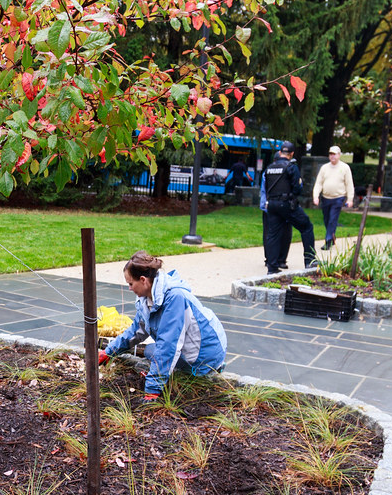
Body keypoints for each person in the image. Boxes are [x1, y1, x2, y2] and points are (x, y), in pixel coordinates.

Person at [98, 252, 227, 399]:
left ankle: (206, 371)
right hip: (194, 349)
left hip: (205, 356)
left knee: (156, 351)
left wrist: (152, 390)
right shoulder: (147, 298)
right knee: (150, 351)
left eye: (130, 284)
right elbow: (136, 330)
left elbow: (168, 345)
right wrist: (109, 351)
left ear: (143, 280)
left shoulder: (175, 298)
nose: (129, 288)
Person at [259, 141, 316, 273]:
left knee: (272, 234)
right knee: (306, 227)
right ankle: (310, 261)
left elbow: (266, 187)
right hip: (287, 204)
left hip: (271, 205)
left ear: (280, 152)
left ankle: (272, 268)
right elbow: (297, 188)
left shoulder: (269, 168)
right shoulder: (291, 167)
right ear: (291, 154)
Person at [312, 145, 354, 250]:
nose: (332, 156)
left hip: (338, 197)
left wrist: (350, 199)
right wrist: (316, 196)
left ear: (339, 155)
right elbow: (318, 183)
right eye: (331, 154)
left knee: (332, 219)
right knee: (327, 219)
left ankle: (328, 241)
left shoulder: (345, 168)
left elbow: (349, 184)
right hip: (326, 197)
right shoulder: (324, 168)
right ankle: (332, 236)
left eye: (334, 154)